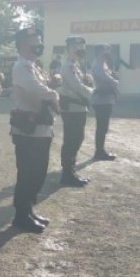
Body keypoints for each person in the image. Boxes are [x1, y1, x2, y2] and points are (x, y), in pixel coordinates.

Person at [9, 28, 58, 233]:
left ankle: (28, 210)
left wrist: (52, 89)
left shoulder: (33, 66)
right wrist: (54, 93)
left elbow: (44, 87)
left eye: (39, 39)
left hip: (41, 128)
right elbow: (37, 89)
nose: (38, 43)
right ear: (22, 45)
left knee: (38, 173)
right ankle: (21, 216)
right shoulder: (22, 67)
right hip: (28, 130)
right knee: (28, 173)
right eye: (33, 41)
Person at [58, 36, 93, 186]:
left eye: (82, 47)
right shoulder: (67, 66)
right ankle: (67, 174)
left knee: (77, 138)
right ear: (68, 49)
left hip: (79, 108)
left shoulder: (76, 65)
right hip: (72, 109)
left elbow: (83, 84)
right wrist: (93, 92)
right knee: (71, 140)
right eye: (76, 47)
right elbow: (77, 86)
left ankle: (70, 169)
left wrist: (89, 83)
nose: (79, 50)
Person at [91, 44, 118, 161]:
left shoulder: (103, 64)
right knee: (101, 127)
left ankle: (100, 150)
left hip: (106, 99)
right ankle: (99, 152)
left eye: (108, 51)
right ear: (98, 52)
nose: (107, 53)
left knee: (104, 127)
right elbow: (107, 79)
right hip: (101, 100)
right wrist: (115, 81)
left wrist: (113, 79)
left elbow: (111, 76)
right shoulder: (97, 65)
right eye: (105, 51)